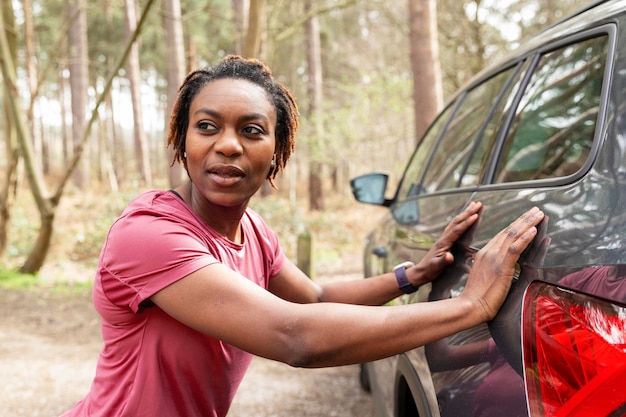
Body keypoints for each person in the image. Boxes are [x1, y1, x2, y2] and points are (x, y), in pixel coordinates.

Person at [60, 55, 544, 417]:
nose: (227, 145)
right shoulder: (149, 235)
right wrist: (470, 306)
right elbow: (295, 336)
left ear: (275, 154)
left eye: (251, 130)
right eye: (207, 127)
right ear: (182, 144)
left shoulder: (252, 231)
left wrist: (412, 275)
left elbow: (313, 297)